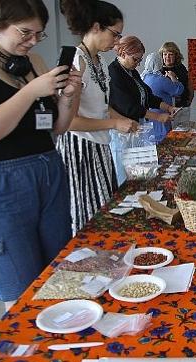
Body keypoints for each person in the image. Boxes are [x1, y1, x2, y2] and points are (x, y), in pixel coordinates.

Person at [0, 0, 82, 309]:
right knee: (20, 288)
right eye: (25, 32)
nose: (33, 41)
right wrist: (31, 91)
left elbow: (56, 128)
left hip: (47, 169)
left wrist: (70, 96)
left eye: (39, 34)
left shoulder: (34, 62)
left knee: (57, 276)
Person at [58, 0, 137, 235]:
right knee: (87, 215)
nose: (117, 42)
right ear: (95, 27)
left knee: (104, 208)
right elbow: (69, 122)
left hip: (99, 145)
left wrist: (122, 119)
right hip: (80, 148)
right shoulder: (77, 61)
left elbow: (102, 106)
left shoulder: (100, 61)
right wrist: (114, 123)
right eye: (115, 34)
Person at [108, 36, 176, 183]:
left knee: (139, 173)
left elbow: (148, 95)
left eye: (140, 60)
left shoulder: (132, 72)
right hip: (122, 132)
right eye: (135, 59)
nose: (138, 64)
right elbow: (128, 106)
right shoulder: (114, 73)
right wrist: (157, 117)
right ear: (123, 53)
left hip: (136, 129)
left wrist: (168, 107)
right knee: (124, 174)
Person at [141, 52, 185, 142]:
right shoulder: (161, 80)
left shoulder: (143, 77)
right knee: (163, 142)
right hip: (161, 116)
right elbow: (178, 90)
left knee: (149, 143)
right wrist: (173, 78)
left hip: (147, 116)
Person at [160, 41, 194, 119]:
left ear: (176, 56)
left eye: (171, 54)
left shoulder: (181, 69)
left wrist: (189, 101)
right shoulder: (158, 70)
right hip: (164, 108)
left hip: (181, 107)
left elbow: (189, 85)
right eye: (165, 54)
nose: (167, 57)